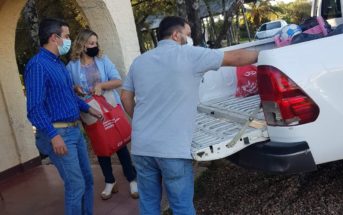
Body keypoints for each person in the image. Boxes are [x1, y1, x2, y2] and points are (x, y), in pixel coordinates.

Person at [121, 16, 258, 215]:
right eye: (188, 34)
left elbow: (125, 98)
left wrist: (142, 123)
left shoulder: (139, 61)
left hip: (142, 146)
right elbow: (235, 58)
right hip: (172, 149)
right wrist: (262, 55)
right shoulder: (189, 55)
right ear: (176, 35)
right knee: (181, 206)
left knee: (149, 203)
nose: (189, 39)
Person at [25, 18, 103, 215]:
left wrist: (88, 108)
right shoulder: (38, 65)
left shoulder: (57, 63)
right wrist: (53, 135)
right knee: (76, 185)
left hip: (75, 130)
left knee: (87, 180)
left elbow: (67, 95)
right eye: (66, 36)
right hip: (60, 133)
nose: (69, 41)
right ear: (54, 37)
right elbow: (34, 108)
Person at [66, 29, 138, 200]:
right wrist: (75, 88)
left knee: (119, 144)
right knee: (101, 146)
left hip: (109, 107)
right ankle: (109, 180)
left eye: (96, 43)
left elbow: (119, 80)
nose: (95, 46)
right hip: (89, 111)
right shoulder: (71, 66)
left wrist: (102, 86)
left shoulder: (102, 60)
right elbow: (68, 88)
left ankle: (132, 179)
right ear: (81, 45)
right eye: (91, 43)